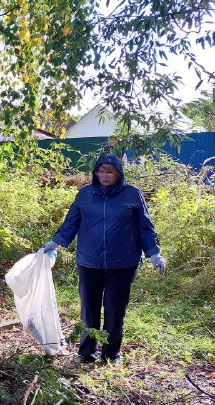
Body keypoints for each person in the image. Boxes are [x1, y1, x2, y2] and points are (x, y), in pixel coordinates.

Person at [42, 153, 166, 366]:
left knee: (115, 310)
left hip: (123, 263)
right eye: (101, 171)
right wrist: (54, 243)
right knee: (89, 309)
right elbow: (71, 223)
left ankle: (111, 354)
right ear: (95, 173)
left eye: (110, 172)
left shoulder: (132, 194)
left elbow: (145, 227)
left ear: (119, 174)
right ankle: (86, 352)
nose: (105, 176)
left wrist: (154, 254)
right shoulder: (85, 194)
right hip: (89, 262)